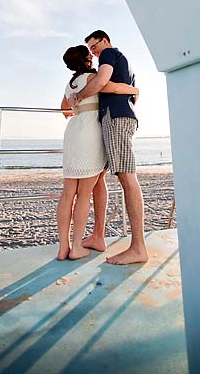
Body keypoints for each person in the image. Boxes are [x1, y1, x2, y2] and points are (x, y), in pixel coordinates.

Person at [70, 30, 148, 265]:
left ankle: (138, 248)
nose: (93, 52)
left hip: (116, 119)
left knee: (127, 178)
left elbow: (105, 83)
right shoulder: (119, 58)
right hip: (112, 118)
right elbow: (116, 86)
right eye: (91, 50)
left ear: (104, 40)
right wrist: (132, 90)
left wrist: (80, 96)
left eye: (95, 46)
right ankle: (98, 236)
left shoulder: (109, 53)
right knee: (99, 177)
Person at [57, 45, 138, 260]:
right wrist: (135, 90)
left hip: (73, 132)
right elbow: (112, 88)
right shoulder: (94, 77)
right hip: (90, 133)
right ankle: (76, 247)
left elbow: (64, 110)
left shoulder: (70, 83)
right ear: (87, 60)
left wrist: (77, 105)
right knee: (84, 194)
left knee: (67, 195)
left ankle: (63, 247)